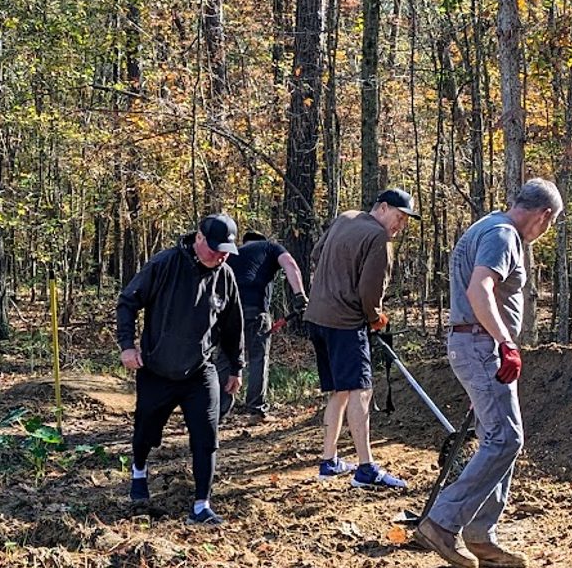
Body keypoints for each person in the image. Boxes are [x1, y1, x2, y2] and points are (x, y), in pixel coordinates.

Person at [416, 178, 563, 568]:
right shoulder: (504, 235)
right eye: (549, 224)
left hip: (476, 346)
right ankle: (442, 523)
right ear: (543, 215)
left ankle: (481, 534)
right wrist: (505, 342)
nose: (544, 232)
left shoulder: (485, 226)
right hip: (483, 345)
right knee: (505, 439)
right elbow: (479, 290)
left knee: (495, 438)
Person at [117, 214, 246, 525]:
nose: (222, 255)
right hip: (157, 369)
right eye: (216, 249)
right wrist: (127, 346)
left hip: (200, 370)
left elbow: (233, 326)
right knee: (146, 430)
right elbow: (128, 301)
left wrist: (236, 367)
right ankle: (139, 471)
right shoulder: (165, 264)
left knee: (206, 435)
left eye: (227, 250)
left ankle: (202, 504)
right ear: (199, 239)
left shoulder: (225, 275)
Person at [303, 188, 418, 490]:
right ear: (382, 208)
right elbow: (370, 292)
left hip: (316, 318)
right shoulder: (378, 239)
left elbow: (316, 254)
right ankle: (365, 468)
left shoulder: (345, 219)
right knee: (360, 391)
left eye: (405, 220)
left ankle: (329, 461)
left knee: (339, 391)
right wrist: (375, 317)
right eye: (399, 217)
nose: (400, 225)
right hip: (345, 323)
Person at [219, 230, 307, 421]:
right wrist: (300, 296)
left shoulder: (231, 252)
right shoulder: (271, 247)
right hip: (254, 309)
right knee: (258, 357)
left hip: (227, 311)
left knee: (226, 358)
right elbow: (290, 265)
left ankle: (219, 410)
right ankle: (256, 408)